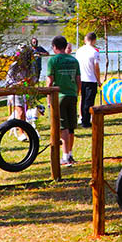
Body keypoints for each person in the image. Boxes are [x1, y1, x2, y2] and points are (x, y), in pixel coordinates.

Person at [46, 35, 80, 165]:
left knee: (63, 127)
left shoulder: (53, 61)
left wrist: (49, 98)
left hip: (59, 96)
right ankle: (70, 154)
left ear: (54, 47)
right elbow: (78, 80)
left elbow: (50, 81)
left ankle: (65, 157)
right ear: (65, 46)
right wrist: (76, 93)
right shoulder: (74, 60)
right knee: (71, 128)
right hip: (72, 94)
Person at [75, 33, 104, 128]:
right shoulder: (94, 52)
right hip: (91, 79)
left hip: (81, 78)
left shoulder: (79, 51)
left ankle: (82, 118)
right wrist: (99, 80)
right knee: (89, 101)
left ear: (85, 39)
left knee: (83, 99)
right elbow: (96, 67)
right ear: (94, 40)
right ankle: (86, 121)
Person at [6, 45, 34, 139]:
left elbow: (34, 78)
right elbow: (8, 82)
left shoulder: (31, 66)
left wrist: (30, 81)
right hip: (15, 91)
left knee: (24, 112)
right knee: (20, 112)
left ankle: (24, 129)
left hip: (26, 91)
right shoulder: (14, 66)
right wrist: (18, 83)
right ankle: (21, 133)